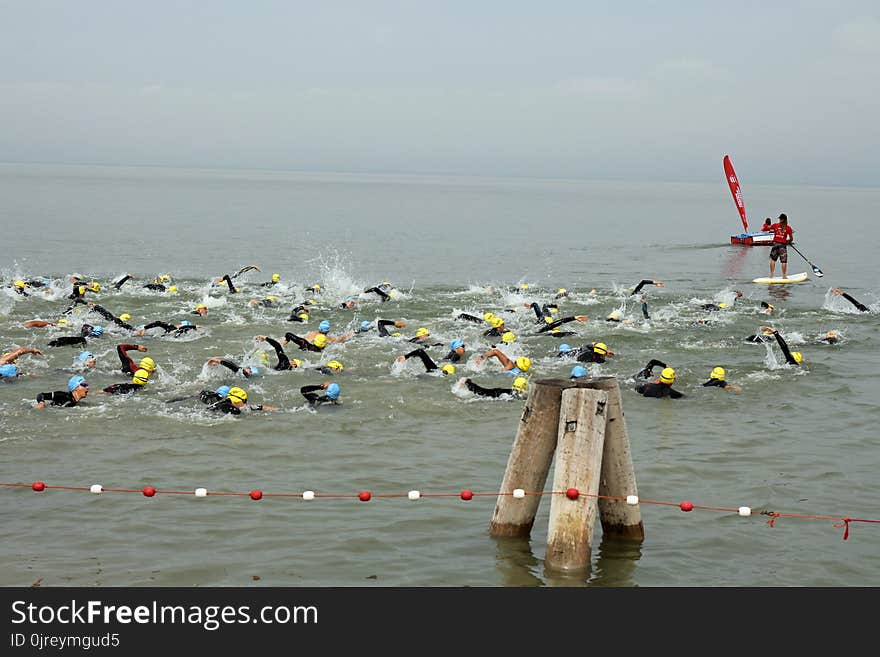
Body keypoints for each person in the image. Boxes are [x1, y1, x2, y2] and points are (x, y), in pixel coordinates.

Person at [208, 386, 278, 414]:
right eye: (244, 402)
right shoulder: (227, 407)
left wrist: (273, 409)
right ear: (241, 401)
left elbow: (260, 407)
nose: (244, 405)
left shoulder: (223, 403)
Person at [768, 213, 794, 279]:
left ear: (782, 219)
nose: (779, 220)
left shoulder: (775, 225)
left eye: (780, 219)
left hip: (775, 245)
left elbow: (769, 228)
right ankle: (784, 276)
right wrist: (788, 241)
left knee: (773, 260)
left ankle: (771, 275)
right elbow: (791, 239)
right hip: (782, 246)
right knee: (784, 261)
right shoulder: (788, 228)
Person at [459, 376, 527, 400]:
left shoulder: (513, 392)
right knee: (483, 392)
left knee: (484, 392)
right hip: (498, 393)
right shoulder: (516, 394)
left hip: (498, 391)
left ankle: (468, 383)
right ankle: (467, 382)